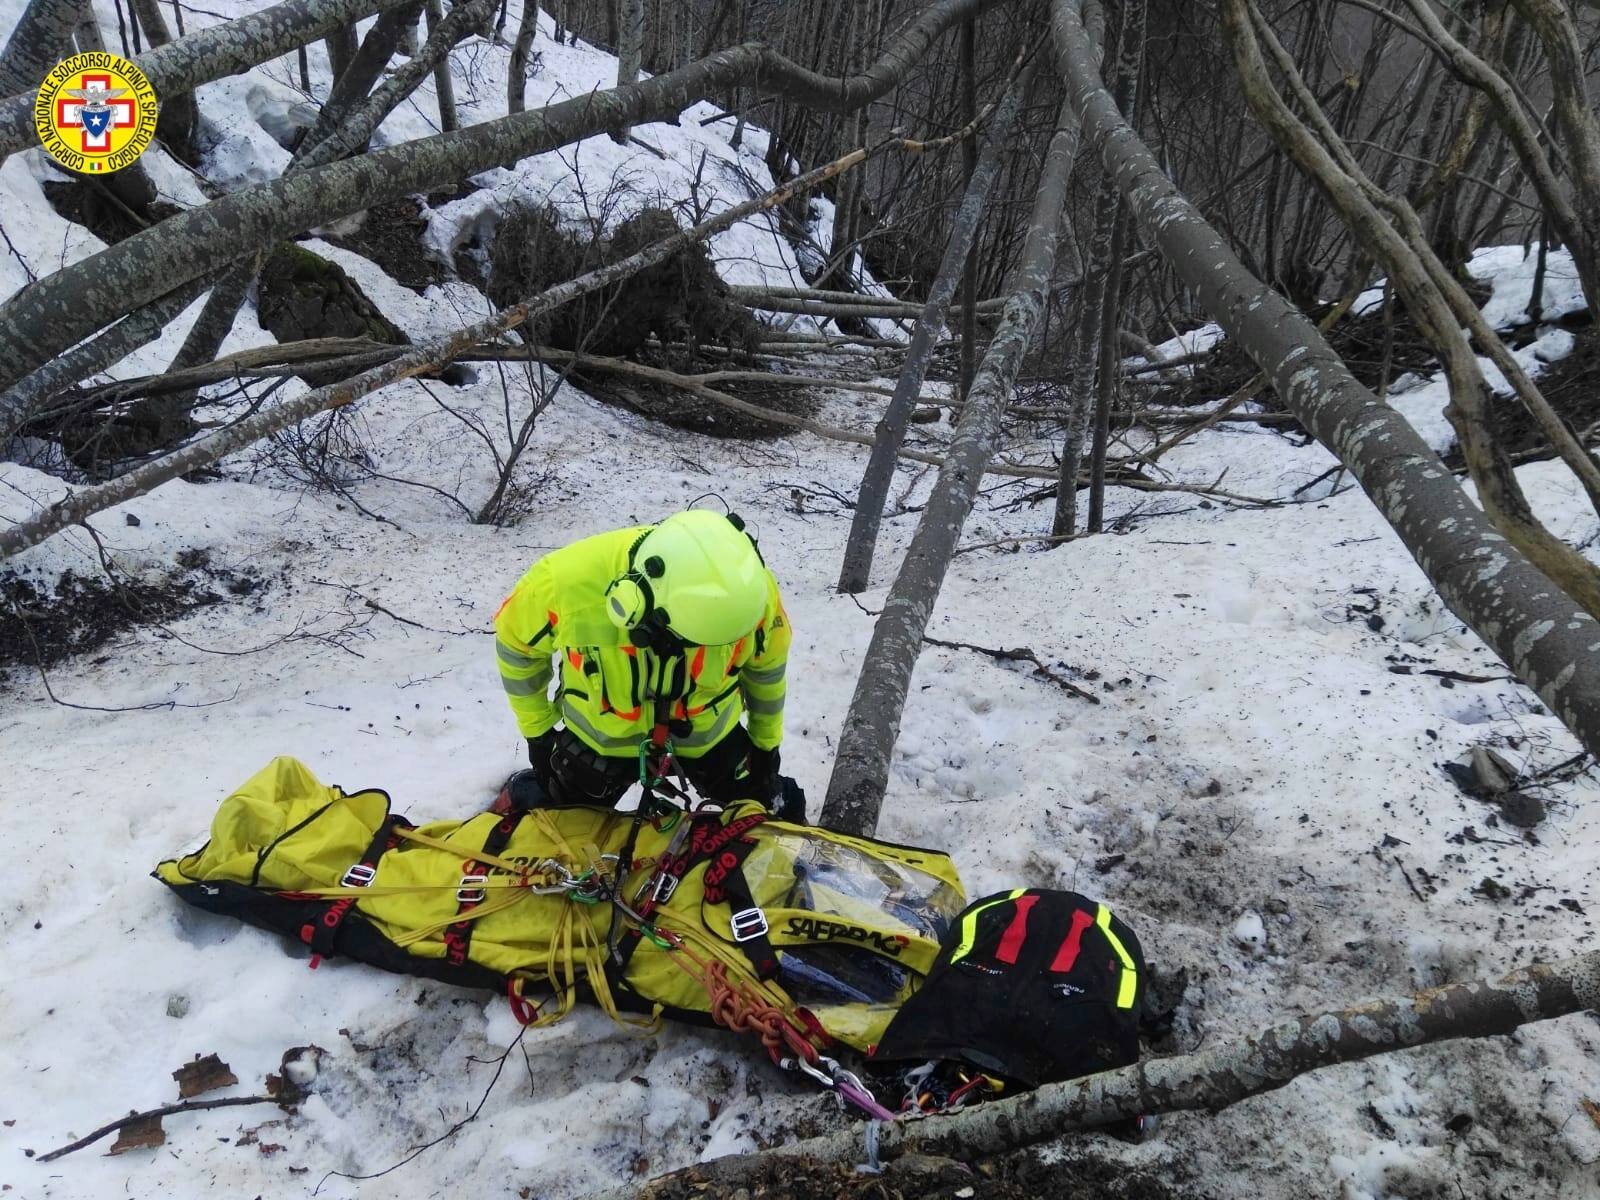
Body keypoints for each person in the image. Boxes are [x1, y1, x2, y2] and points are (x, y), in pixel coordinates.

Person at [493, 509, 796, 815]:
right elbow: (517, 649)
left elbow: (766, 673)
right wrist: (539, 733)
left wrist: (765, 745)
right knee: (556, 819)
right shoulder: (562, 583)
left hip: (709, 738)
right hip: (599, 742)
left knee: (766, 807)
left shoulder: (752, 594)